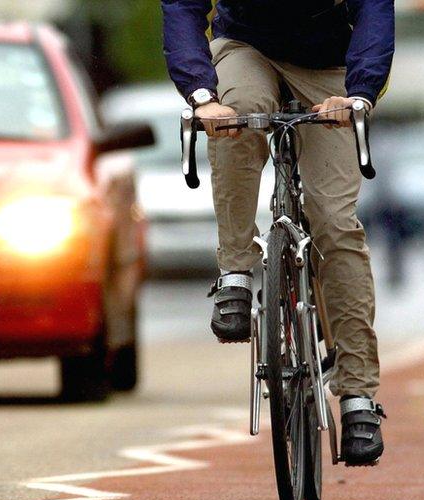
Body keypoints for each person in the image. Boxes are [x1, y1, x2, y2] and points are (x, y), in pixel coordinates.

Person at [162, 0, 394, 465]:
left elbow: (374, 9)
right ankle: (235, 271)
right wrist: (202, 96)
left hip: (329, 63)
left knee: (334, 221)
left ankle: (357, 397)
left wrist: (359, 93)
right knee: (238, 114)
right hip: (247, 49)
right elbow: (183, 8)